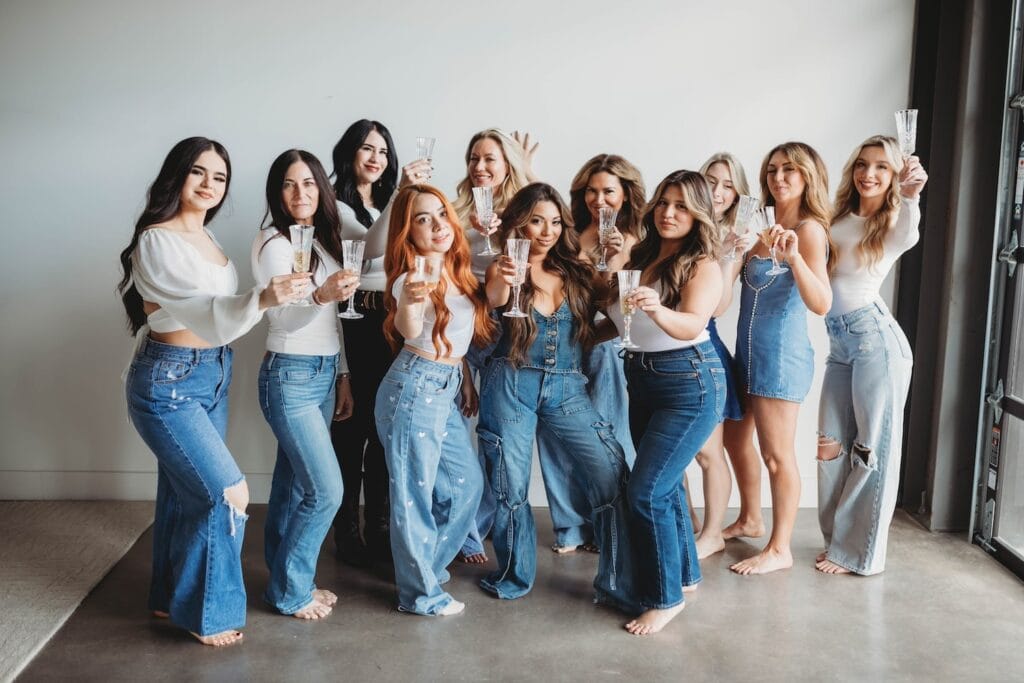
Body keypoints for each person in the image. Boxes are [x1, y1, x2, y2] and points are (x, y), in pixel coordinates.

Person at [117, 137, 307, 646]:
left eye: (219, 177)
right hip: (169, 380)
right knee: (227, 493)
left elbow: (219, 315)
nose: (208, 184)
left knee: (186, 494)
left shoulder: (213, 241)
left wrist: (270, 300)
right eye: (198, 172)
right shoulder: (157, 240)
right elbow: (202, 307)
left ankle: (166, 598)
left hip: (213, 372)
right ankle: (212, 614)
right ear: (176, 175)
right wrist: (262, 298)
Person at [476, 182, 635, 610]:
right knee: (510, 486)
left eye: (553, 222)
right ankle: (513, 575)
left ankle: (619, 579)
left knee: (610, 469)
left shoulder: (578, 272)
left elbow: (616, 316)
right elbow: (493, 302)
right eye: (535, 221)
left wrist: (618, 261)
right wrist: (504, 284)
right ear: (517, 224)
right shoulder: (503, 267)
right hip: (510, 383)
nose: (545, 231)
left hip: (567, 386)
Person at [605, 170, 725, 635]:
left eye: (680, 205)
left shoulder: (703, 265)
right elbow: (618, 321)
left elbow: (693, 324)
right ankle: (686, 575)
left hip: (689, 382)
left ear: (698, 214)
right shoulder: (643, 256)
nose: (669, 213)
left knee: (646, 491)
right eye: (663, 203)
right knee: (667, 487)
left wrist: (656, 307)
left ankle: (664, 597)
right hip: (643, 378)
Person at [375, 184, 497, 616]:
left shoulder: (459, 270)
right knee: (414, 494)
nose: (436, 225)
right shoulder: (413, 278)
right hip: (414, 387)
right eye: (422, 219)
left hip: (444, 384)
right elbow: (410, 328)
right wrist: (409, 300)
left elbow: (459, 336)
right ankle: (420, 593)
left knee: (467, 485)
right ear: (408, 234)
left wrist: (462, 376)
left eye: (440, 214)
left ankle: (423, 566)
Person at [252, 149, 360, 618]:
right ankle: (292, 591)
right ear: (278, 192)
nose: (301, 193)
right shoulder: (274, 244)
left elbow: (330, 321)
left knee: (295, 486)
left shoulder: (319, 243)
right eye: (290, 184)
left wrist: (342, 375)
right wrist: (319, 293)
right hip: (289, 374)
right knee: (327, 490)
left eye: (309, 183)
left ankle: (285, 575)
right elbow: (283, 317)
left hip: (319, 373)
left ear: (322, 189)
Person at [816, 135, 927, 575]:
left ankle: (860, 554)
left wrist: (911, 195)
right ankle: (837, 541)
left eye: (882, 167)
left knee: (871, 448)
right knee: (830, 445)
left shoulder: (895, 219)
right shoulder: (837, 218)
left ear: (895, 174)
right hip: (839, 343)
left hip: (876, 342)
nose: (869, 173)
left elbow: (910, 231)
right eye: (863, 164)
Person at [532, 154, 645, 554]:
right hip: (557, 348)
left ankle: (608, 526)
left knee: (606, 438)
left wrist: (613, 261)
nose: (600, 199)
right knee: (554, 437)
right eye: (592, 191)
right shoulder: (570, 234)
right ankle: (569, 527)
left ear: (626, 195)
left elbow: (615, 306)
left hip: (603, 347)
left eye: (608, 191)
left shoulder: (636, 242)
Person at [730, 142, 834, 576]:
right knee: (734, 441)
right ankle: (751, 516)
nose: (779, 178)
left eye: (790, 170)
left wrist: (793, 259)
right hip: (745, 353)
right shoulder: (757, 226)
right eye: (772, 169)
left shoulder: (809, 231)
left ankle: (780, 547)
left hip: (780, 357)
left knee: (777, 455)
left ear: (808, 177)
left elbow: (822, 302)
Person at [328, 119, 428, 565]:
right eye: (367, 149)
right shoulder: (331, 203)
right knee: (351, 429)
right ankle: (346, 528)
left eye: (383, 151)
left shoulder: (394, 201)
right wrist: (402, 195)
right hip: (354, 316)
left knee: (387, 427)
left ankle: (382, 525)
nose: (376, 158)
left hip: (392, 316)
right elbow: (367, 248)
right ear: (349, 153)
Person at [451, 128, 538, 564]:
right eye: (473, 158)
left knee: (497, 440)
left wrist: (530, 174)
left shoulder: (523, 215)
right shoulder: (455, 213)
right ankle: (463, 534)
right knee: (460, 439)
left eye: (490, 159)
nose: (479, 167)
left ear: (508, 165)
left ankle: (479, 526)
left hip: (511, 332)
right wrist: (465, 229)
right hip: (468, 333)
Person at [688, 152, 760, 559]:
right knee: (669, 450)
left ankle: (713, 533)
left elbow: (717, 307)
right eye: (711, 180)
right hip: (667, 347)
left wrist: (727, 256)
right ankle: (691, 523)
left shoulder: (735, 237)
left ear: (737, 195)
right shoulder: (680, 222)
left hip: (704, 346)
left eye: (727, 185)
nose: (717, 191)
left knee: (707, 451)